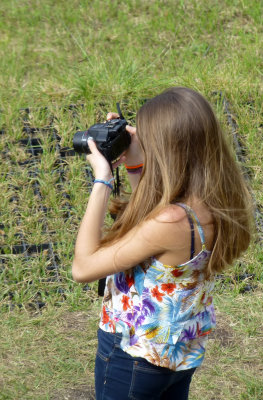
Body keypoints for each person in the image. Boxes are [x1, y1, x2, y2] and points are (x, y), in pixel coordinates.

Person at [72, 87, 252, 400]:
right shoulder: (216, 198)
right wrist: (135, 162)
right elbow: (148, 215)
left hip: (134, 356)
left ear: (167, 149)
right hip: (179, 350)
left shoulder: (170, 222)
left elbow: (83, 267)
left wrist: (102, 180)